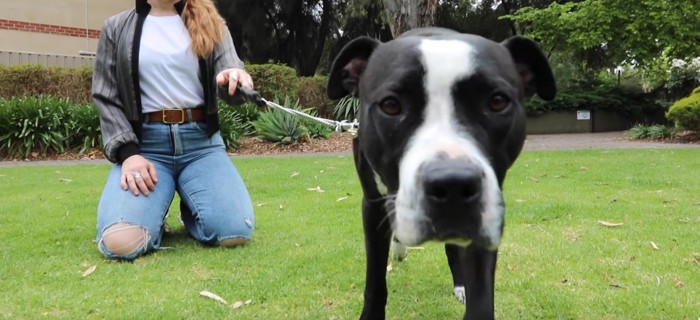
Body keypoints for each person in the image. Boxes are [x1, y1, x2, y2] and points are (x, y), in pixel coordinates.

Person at [92, 0, 255, 260]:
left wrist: (235, 78)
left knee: (235, 232)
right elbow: (105, 96)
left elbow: (230, 76)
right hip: (146, 150)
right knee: (121, 243)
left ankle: (191, 207)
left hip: (202, 146)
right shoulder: (116, 28)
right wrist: (129, 154)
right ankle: (154, 211)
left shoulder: (213, 23)